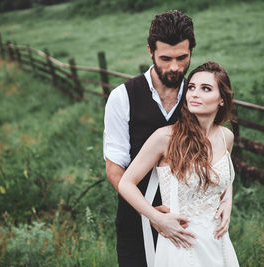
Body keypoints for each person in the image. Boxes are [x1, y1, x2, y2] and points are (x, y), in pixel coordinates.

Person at [118, 61, 240, 266]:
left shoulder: (226, 137)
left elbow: (224, 178)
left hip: (217, 241)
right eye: (191, 87)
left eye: (206, 89)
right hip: (181, 243)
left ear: (222, 99)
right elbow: (126, 183)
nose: (194, 93)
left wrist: (227, 201)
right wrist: (156, 218)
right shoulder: (165, 137)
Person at [103, 10, 200, 267]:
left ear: (191, 50)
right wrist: (150, 214)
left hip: (189, 221)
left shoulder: (198, 98)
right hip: (136, 218)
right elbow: (114, 168)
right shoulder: (122, 97)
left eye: (183, 57)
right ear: (150, 51)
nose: (175, 67)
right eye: (165, 58)